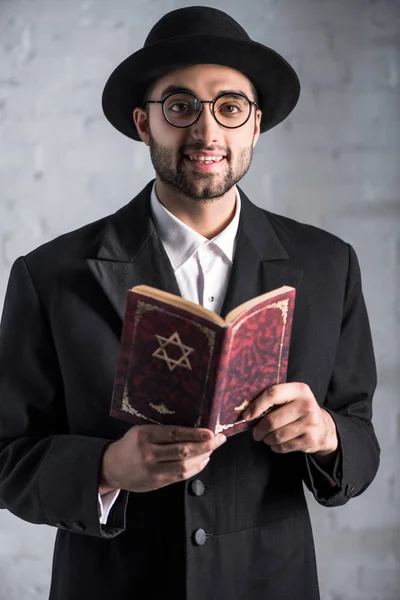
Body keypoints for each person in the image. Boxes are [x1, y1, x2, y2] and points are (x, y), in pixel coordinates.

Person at [0, 6, 380, 600]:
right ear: (144, 123)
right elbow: (10, 460)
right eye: (180, 108)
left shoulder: (329, 265)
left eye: (230, 108)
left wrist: (327, 433)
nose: (207, 133)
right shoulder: (48, 275)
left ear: (256, 125)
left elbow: (361, 436)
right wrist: (106, 470)